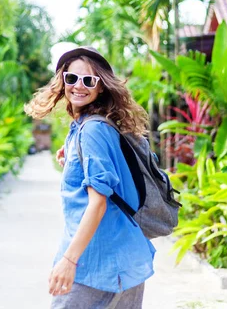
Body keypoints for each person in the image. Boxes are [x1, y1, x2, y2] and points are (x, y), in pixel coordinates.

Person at [24, 46, 155, 309]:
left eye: (89, 80)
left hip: (97, 266)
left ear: (101, 86)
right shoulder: (89, 126)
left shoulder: (93, 130)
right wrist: (72, 160)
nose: (78, 86)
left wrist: (69, 261)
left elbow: (98, 203)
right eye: (71, 79)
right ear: (63, 81)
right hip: (120, 261)